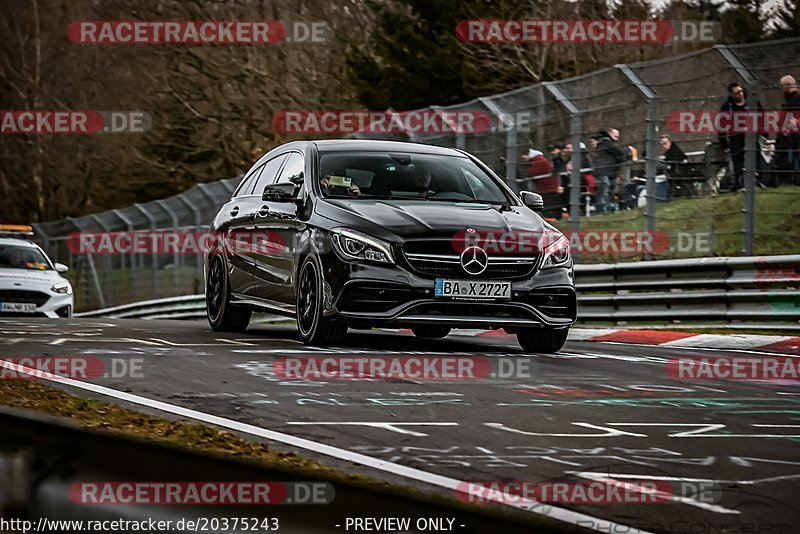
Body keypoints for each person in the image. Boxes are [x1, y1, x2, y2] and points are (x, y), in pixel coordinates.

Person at [719, 82, 761, 192]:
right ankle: (740, 183)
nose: (740, 94)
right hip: (735, 139)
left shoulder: (752, 103)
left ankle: (755, 181)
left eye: (741, 91)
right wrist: (724, 144)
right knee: (738, 162)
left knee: (754, 159)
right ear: (732, 94)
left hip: (751, 136)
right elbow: (722, 126)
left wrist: (764, 135)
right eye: (737, 93)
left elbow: (762, 118)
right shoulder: (727, 107)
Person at [591, 128, 630, 213]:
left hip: (610, 172)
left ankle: (608, 209)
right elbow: (618, 151)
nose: (618, 137)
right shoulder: (606, 141)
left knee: (609, 192)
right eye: (616, 134)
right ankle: (601, 210)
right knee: (604, 190)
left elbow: (618, 156)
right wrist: (628, 150)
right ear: (610, 134)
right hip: (603, 171)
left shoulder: (606, 143)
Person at [776, 75, 800, 185]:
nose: (781, 89)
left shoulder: (797, 97)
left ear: (789, 85)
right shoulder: (788, 100)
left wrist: (796, 121)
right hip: (790, 134)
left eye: (782, 86)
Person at [659, 134, 688, 199]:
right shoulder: (670, 151)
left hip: (679, 173)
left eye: (665, 143)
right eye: (662, 144)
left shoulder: (674, 152)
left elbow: (674, 162)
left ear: (670, 142)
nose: (663, 146)